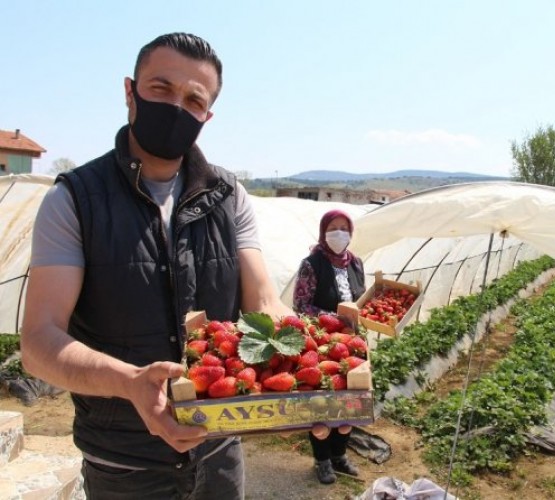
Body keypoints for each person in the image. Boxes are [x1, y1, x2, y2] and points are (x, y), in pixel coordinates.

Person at [20, 33, 299, 499]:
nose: (176, 107)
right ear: (130, 92)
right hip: (124, 465)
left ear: (207, 116)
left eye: (193, 99)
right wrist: (129, 383)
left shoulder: (230, 198)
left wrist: (311, 382)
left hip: (218, 451)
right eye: (160, 89)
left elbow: (264, 301)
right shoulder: (73, 200)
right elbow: (40, 341)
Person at [293, 209, 365, 484]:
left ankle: (339, 456)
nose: (339, 233)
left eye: (344, 228)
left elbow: (363, 299)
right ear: (323, 232)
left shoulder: (356, 263)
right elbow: (301, 306)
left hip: (353, 348)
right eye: (333, 228)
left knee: (349, 405)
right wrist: (337, 319)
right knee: (322, 405)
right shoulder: (311, 264)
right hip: (322, 344)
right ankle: (322, 461)